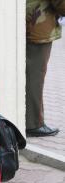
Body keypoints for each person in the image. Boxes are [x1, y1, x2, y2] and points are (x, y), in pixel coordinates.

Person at [25, 0, 63, 137]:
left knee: (30, 74)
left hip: (29, 20)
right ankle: (33, 124)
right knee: (35, 76)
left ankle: (31, 121)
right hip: (38, 23)